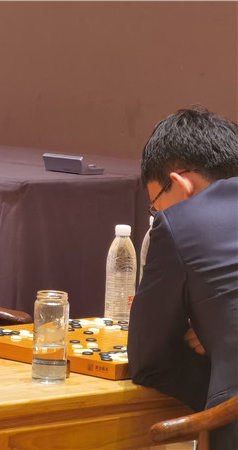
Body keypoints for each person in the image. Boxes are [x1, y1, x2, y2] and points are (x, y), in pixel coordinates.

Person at [128, 108, 238, 449]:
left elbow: (148, 358)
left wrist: (217, 348)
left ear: (180, 184)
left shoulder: (179, 223)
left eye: (155, 203)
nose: (158, 214)